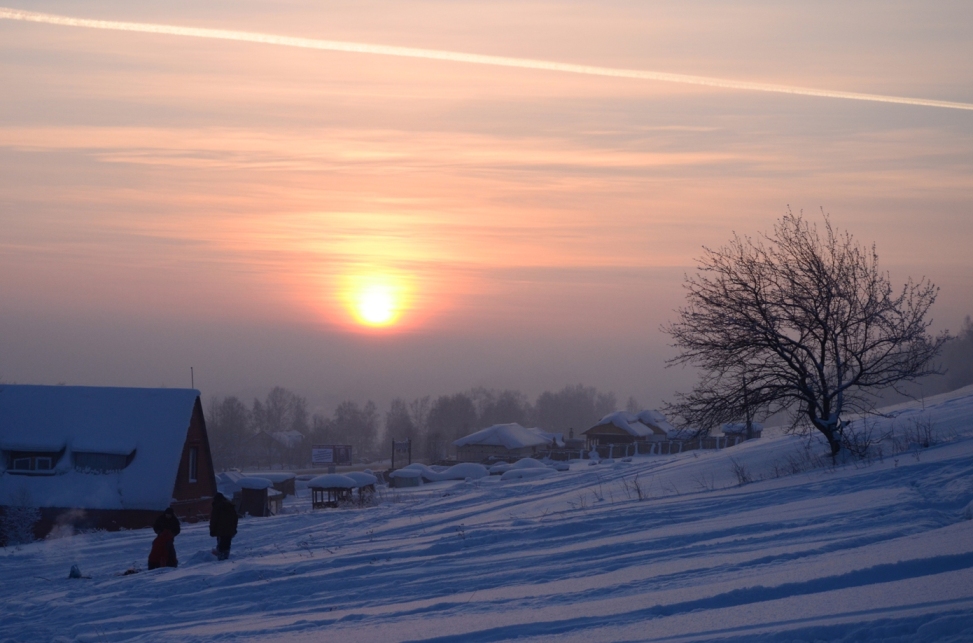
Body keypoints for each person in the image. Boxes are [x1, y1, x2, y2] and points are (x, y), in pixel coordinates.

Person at [209, 493, 238, 561]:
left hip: (220, 531)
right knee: (227, 544)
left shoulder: (217, 507)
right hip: (230, 530)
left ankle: (221, 558)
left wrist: (212, 530)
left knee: (221, 545)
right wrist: (234, 529)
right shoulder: (230, 506)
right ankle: (226, 556)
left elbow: (214, 520)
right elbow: (235, 518)